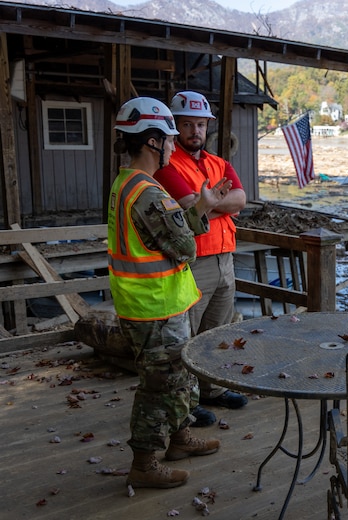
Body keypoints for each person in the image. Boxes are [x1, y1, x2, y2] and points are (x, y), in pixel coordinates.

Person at [108, 97, 231, 489]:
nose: (174, 146)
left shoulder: (125, 183)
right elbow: (186, 246)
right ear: (152, 142)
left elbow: (175, 234)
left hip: (151, 304)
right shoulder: (148, 192)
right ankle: (144, 462)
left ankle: (180, 439)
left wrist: (204, 206)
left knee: (178, 378)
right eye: (170, 139)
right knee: (159, 385)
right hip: (153, 308)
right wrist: (203, 215)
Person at [154, 90, 248, 427]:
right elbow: (187, 200)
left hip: (225, 258)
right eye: (188, 124)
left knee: (217, 332)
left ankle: (211, 390)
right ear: (175, 127)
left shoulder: (218, 163)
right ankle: (186, 401)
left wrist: (208, 202)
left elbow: (240, 199)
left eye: (201, 124)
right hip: (193, 261)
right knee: (187, 335)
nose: (196, 131)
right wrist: (208, 201)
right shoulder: (166, 164)